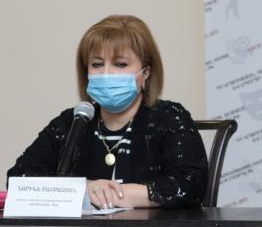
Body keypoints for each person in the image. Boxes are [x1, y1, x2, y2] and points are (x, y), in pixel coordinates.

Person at [7, 15, 208, 209]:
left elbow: (191, 184)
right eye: (97, 64)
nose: (106, 73)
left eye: (120, 64)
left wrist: (116, 194)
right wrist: (83, 188)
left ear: (145, 72)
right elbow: (19, 178)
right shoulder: (73, 121)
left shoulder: (168, 117)